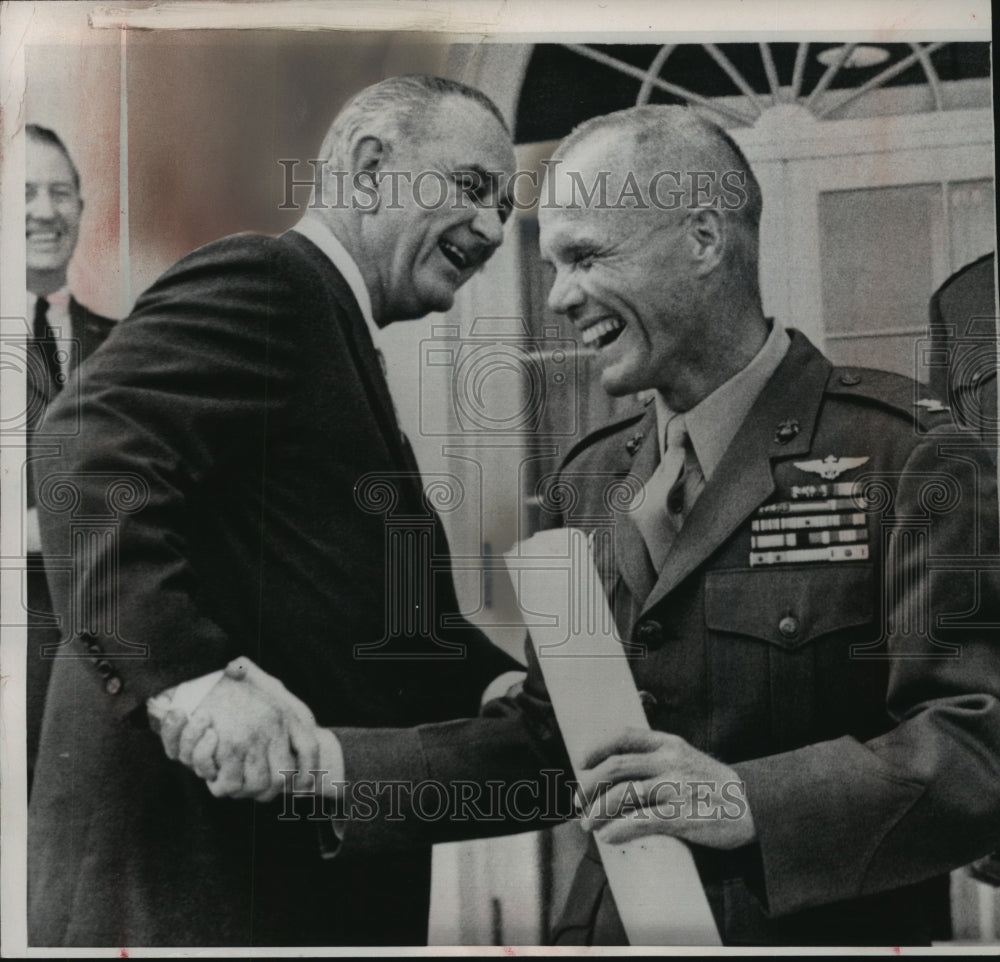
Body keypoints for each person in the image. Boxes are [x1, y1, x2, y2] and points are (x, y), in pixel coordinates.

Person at [179, 105, 1000, 946]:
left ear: (704, 241)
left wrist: (745, 801)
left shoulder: (909, 456)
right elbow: (550, 747)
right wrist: (327, 768)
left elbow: (978, 750)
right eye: (553, 264)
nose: (561, 296)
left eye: (585, 255)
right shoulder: (590, 480)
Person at [30, 75, 523, 947]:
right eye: (475, 187)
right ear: (371, 168)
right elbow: (84, 448)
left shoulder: (332, 330)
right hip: (196, 893)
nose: (492, 228)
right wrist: (191, 681)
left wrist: (500, 683)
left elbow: (384, 616)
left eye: (505, 206)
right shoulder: (270, 280)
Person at [23, 124, 117, 793]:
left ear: (82, 207)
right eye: (23, 192)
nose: (45, 211)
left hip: (100, 670)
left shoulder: (125, 344)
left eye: (61, 192)